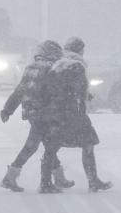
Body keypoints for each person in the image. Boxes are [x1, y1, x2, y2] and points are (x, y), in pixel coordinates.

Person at [0, 40, 74, 193]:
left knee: (48, 146)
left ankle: (58, 177)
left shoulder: (31, 68)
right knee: (34, 146)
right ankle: (10, 177)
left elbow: (20, 91)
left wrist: (8, 109)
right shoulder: (50, 69)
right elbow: (55, 94)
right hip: (44, 114)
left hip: (33, 113)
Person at [43, 37, 112, 193]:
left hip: (56, 112)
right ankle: (93, 180)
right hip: (73, 113)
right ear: (80, 50)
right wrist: (84, 105)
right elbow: (77, 91)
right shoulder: (76, 66)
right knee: (88, 144)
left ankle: (45, 181)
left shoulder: (58, 64)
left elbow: (57, 88)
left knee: (53, 146)